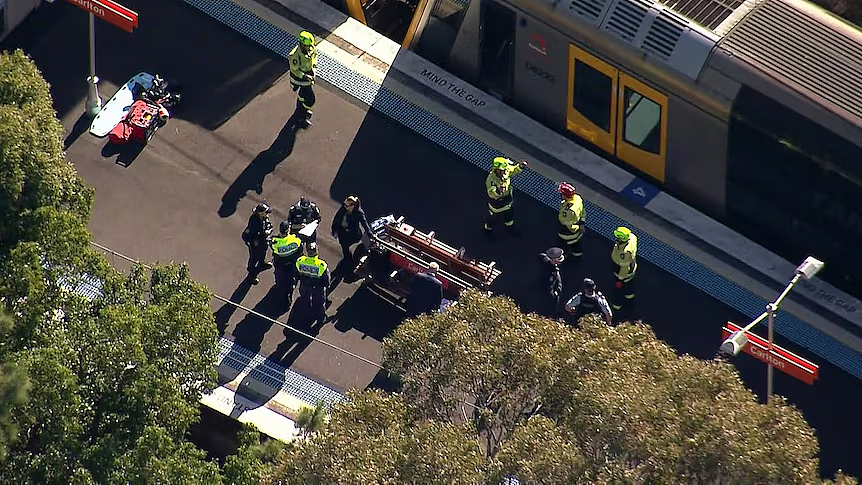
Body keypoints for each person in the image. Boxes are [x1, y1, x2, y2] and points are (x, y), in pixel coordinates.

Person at [485, 157, 528, 233]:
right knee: (493, 219)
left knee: (509, 216)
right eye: (503, 170)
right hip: (497, 205)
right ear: (497, 170)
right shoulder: (491, 180)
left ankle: (510, 228)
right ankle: (487, 230)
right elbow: (491, 194)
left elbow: (513, 170)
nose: (505, 171)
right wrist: (498, 191)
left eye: (505, 169)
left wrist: (520, 166)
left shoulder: (506, 170)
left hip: (508, 202)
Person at [330, 195, 372, 267]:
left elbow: (364, 223)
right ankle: (347, 258)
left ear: (352, 206)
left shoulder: (359, 213)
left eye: (346, 205)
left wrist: (370, 234)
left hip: (352, 233)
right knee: (344, 246)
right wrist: (334, 230)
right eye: (344, 204)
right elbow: (337, 218)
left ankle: (350, 261)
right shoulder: (343, 208)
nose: (344, 206)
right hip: (342, 231)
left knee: (347, 245)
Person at [295, 242, 331, 325]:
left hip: (305, 285)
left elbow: (297, 273)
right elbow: (326, 279)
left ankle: (307, 315)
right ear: (316, 252)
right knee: (319, 303)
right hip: (317, 287)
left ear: (307, 252)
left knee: (305, 300)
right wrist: (326, 286)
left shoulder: (300, 261)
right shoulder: (321, 265)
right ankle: (321, 319)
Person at [289, 31, 318, 128]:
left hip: (308, 77)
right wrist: (306, 76)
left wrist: (313, 69)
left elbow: (314, 57)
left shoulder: (311, 48)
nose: (309, 48)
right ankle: (300, 117)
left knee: (302, 96)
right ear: (301, 44)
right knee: (310, 99)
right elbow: (295, 71)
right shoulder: (294, 55)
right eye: (307, 46)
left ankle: (301, 112)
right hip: (300, 79)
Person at [270, 220, 304, 301]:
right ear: (288, 230)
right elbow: (300, 251)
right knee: (290, 283)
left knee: (280, 282)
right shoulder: (296, 240)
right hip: (291, 266)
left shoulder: (274, 242)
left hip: (280, 266)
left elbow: (273, 249)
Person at [242, 202, 273, 284]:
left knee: (263, 253)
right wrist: (266, 232)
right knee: (254, 259)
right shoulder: (254, 222)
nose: (267, 214)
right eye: (266, 212)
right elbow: (253, 234)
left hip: (262, 241)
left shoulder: (263, 218)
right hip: (256, 244)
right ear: (260, 213)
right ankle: (251, 275)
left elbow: (266, 224)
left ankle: (262, 263)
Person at [610, 226, 638, 311]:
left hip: (623, 273)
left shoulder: (625, 252)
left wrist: (620, 279)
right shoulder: (632, 237)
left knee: (620, 289)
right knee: (629, 286)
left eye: (618, 238)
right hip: (631, 268)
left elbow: (624, 267)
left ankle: (617, 306)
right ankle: (630, 300)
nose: (616, 239)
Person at [557, 182, 586, 259]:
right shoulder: (577, 198)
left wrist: (576, 229)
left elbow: (567, 224)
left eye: (561, 193)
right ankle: (578, 254)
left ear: (565, 195)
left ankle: (565, 255)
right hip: (577, 225)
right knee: (576, 243)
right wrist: (582, 224)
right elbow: (583, 211)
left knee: (565, 243)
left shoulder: (568, 210)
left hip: (567, 232)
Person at [538, 247, 564, 316]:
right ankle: (552, 314)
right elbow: (549, 286)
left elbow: (541, 256)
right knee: (552, 304)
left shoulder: (544, 259)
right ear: (554, 261)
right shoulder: (550, 273)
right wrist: (555, 293)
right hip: (547, 294)